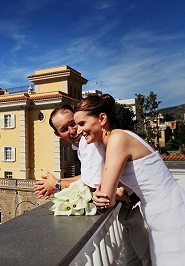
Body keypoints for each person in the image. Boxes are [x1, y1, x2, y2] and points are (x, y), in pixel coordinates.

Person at [74, 94, 185, 266]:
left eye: (82, 124)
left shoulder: (118, 139)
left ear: (102, 118)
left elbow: (106, 198)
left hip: (169, 213)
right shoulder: (113, 140)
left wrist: (100, 195)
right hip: (159, 210)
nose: (78, 131)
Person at [34, 104, 151, 266]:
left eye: (73, 124)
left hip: (136, 206)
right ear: (58, 134)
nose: (72, 130)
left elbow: (91, 185)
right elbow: (89, 177)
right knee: (135, 259)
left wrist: (58, 184)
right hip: (130, 206)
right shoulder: (85, 142)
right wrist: (57, 183)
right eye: (64, 129)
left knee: (147, 258)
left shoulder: (88, 142)